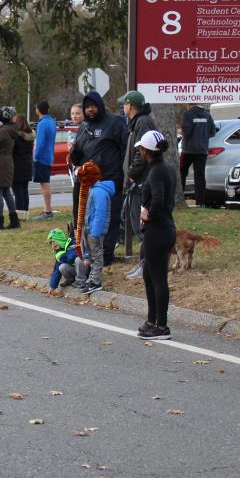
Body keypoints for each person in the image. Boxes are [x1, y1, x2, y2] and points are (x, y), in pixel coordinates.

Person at [70, 91, 128, 265]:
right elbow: (77, 155)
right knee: (86, 218)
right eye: (87, 107)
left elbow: (125, 150)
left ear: (100, 106)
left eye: (93, 106)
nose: (90, 110)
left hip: (109, 178)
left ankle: (106, 255)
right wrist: (74, 152)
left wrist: (123, 175)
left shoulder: (115, 123)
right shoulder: (84, 127)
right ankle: (87, 253)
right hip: (87, 180)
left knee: (108, 219)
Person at [136, 130, 177, 340]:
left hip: (158, 230)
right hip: (165, 228)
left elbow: (159, 199)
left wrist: (148, 214)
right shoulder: (167, 168)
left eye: (141, 149)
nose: (139, 152)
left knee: (158, 279)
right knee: (148, 275)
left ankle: (162, 326)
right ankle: (152, 320)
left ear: (146, 151)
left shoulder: (156, 172)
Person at [120, 90, 158, 280]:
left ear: (131, 105)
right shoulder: (137, 123)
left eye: (124, 104)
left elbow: (141, 153)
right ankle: (145, 261)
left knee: (142, 226)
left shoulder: (142, 123)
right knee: (137, 224)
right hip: (138, 182)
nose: (123, 107)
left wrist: (132, 175)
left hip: (141, 183)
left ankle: (149, 265)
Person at [78, 165, 115, 294]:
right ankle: (91, 279)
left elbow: (100, 213)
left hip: (94, 231)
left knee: (97, 255)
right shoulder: (93, 190)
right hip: (90, 229)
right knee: (92, 256)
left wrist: (95, 232)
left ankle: (96, 281)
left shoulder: (99, 192)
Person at [180, 102, 217, 207]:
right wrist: (202, 137)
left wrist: (182, 130)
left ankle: (180, 196)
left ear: (188, 104)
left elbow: (186, 132)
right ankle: (200, 203)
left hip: (188, 150)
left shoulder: (187, 114)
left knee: (181, 172)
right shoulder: (207, 115)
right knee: (200, 176)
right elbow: (213, 132)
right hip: (202, 150)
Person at [32, 101, 56, 220]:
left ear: (38, 110)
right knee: (45, 183)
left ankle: (47, 211)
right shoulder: (51, 121)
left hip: (42, 157)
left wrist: (36, 156)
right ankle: (47, 209)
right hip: (49, 155)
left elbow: (40, 143)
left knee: (44, 184)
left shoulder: (42, 123)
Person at [10, 113, 34, 220]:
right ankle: (25, 214)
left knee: (18, 192)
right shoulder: (30, 136)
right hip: (27, 165)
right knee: (24, 191)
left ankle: (19, 215)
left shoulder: (16, 137)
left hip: (17, 166)